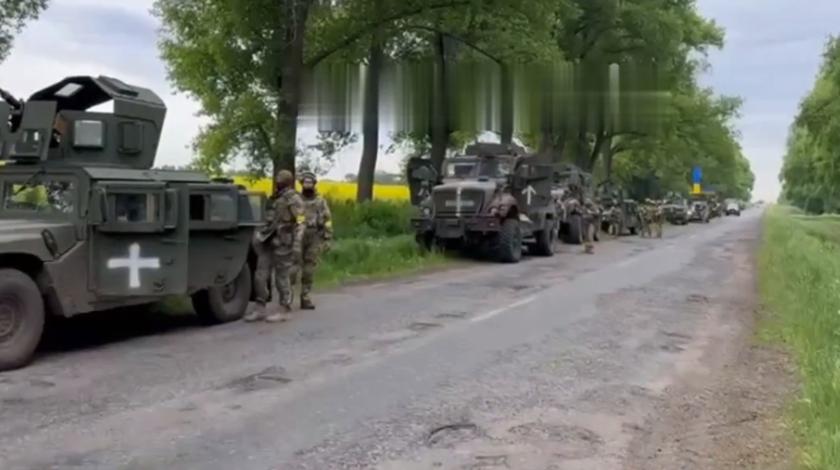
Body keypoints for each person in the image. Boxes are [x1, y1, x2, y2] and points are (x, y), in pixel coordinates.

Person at [244, 170, 305, 323]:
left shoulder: (293, 199)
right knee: (260, 275)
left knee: (281, 277)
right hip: (268, 240)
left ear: (288, 181)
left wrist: (297, 242)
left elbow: (301, 221)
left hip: (284, 241)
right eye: (277, 178)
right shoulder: (275, 198)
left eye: (280, 179)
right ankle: (260, 308)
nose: (277, 181)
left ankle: (285, 309)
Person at [293, 172, 333, 309]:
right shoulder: (295, 200)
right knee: (293, 267)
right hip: (297, 236)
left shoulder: (320, 201)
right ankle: (287, 298)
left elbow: (327, 220)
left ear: (314, 184)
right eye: (305, 182)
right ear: (302, 184)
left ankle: (305, 297)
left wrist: (327, 237)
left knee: (309, 268)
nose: (308, 185)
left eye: (310, 183)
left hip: (314, 235)